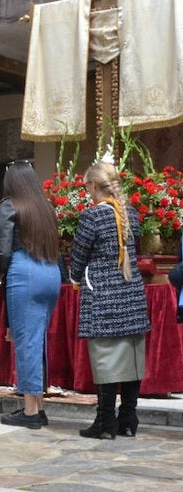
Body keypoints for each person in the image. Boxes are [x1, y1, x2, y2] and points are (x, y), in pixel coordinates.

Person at [70, 162, 150, 439]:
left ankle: (105, 422)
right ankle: (128, 418)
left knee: (105, 358)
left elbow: (78, 257)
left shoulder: (91, 217)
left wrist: (75, 278)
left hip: (103, 295)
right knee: (132, 357)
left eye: (86, 186)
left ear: (93, 186)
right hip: (131, 293)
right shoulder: (131, 213)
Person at [0, 160, 61, 430]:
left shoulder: (10, 205)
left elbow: (4, 249)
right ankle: (39, 406)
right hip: (51, 270)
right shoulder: (46, 208)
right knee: (38, 340)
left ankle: (31, 411)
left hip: (25, 272)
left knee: (27, 342)